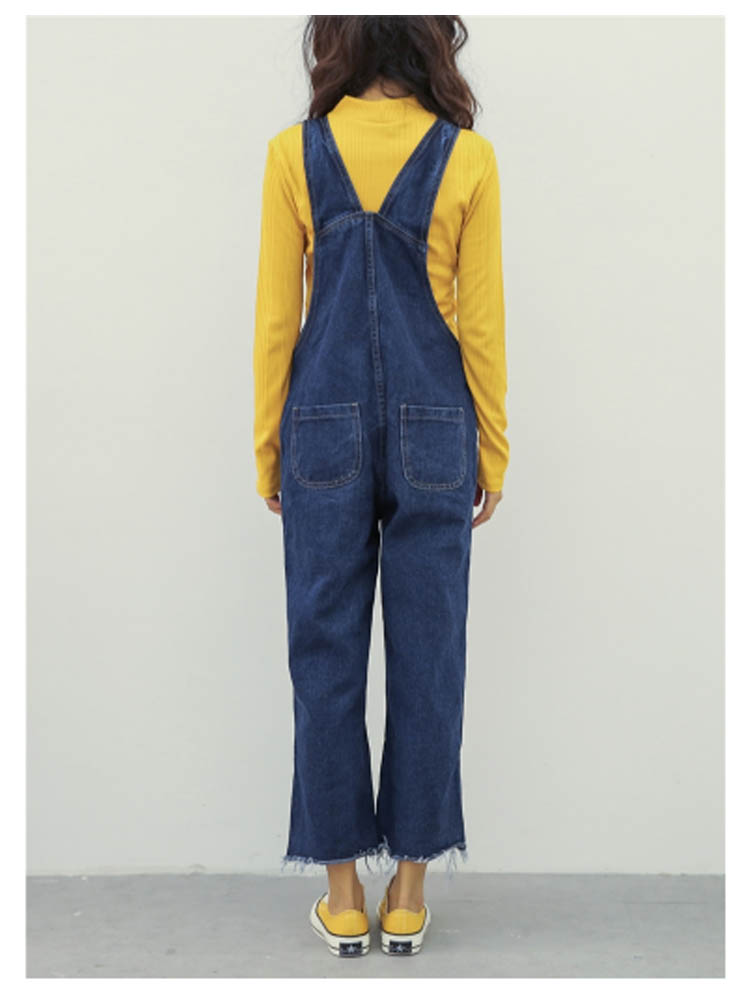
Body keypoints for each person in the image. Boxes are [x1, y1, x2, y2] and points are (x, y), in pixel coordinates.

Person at [253, 15, 509, 957]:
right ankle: (407, 889)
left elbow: (277, 320)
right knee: (429, 653)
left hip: (319, 427)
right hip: (437, 430)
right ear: (430, 43)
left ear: (341, 42)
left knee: (323, 654)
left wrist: (267, 448)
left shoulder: (294, 154)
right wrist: (494, 449)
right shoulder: (468, 158)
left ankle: (342, 898)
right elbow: (481, 325)